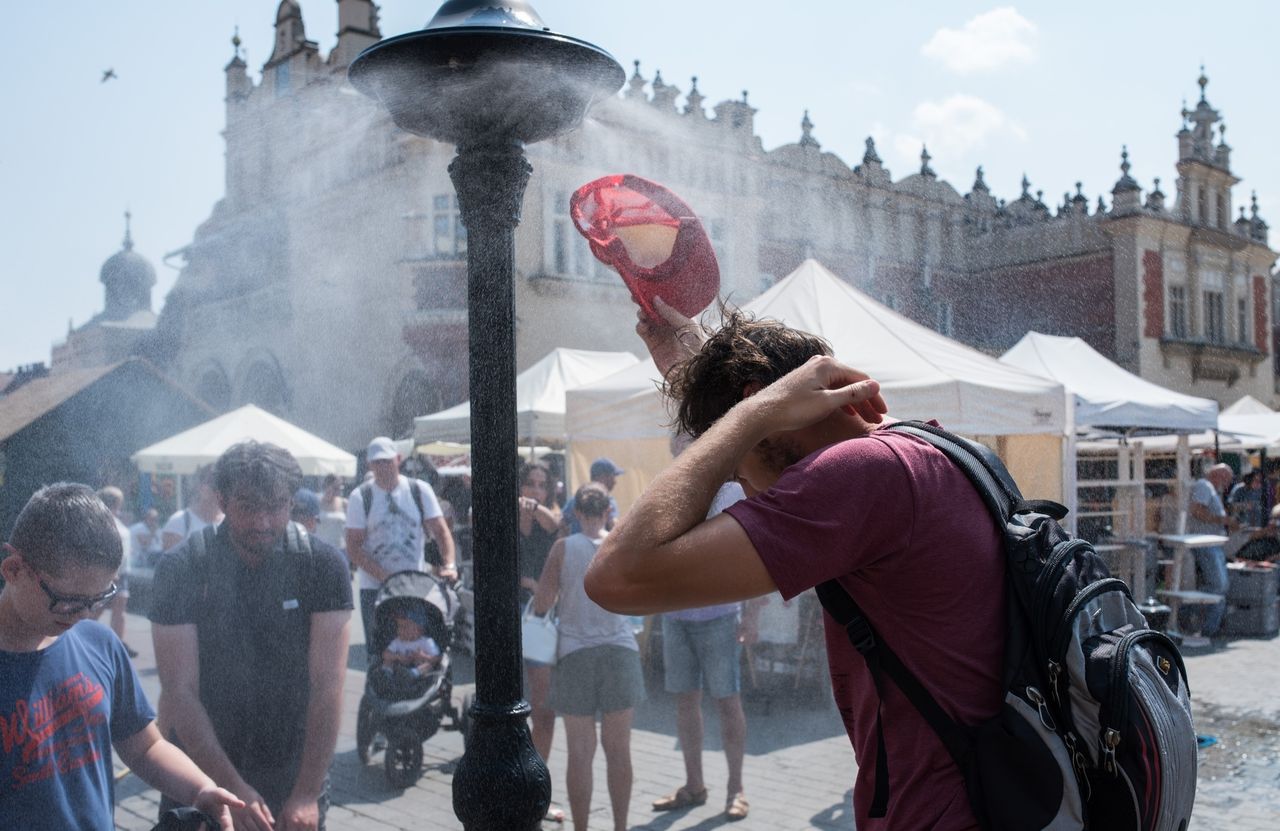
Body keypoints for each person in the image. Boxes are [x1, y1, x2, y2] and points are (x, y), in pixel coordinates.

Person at [585, 299, 1012, 830]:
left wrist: (749, 415)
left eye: (737, 469)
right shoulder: (922, 447)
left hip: (946, 811)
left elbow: (617, 578)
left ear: (767, 405)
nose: (743, 488)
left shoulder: (858, 473)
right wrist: (711, 378)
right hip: (990, 794)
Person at [0, 483, 243, 830]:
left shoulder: (99, 643)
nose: (84, 615)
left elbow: (144, 748)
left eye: (99, 598)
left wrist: (200, 789)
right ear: (14, 569)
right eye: (69, 601)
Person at [151, 441, 353, 831]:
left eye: (275, 506)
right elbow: (179, 692)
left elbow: (328, 685)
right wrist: (230, 787)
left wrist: (308, 793)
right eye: (248, 507)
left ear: (292, 502)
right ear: (222, 500)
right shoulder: (182, 568)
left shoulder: (322, 567)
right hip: (199, 769)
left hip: (292, 768)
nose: (262, 522)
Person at [533, 486, 645, 831]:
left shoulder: (563, 548)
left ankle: (581, 828)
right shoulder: (621, 547)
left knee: (580, 753)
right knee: (619, 750)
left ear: (576, 513)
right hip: (620, 651)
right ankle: (620, 827)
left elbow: (541, 603)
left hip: (575, 653)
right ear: (608, 511)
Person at [651, 470, 759, 822]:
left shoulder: (730, 491)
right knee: (686, 702)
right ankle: (694, 785)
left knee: (727, 702)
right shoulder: (669, 488)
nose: (684, 448)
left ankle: (736, 789)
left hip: (720, 615)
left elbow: (754, 550)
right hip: (676, 614)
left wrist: (752, 613)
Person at [345, 436, 457, 657]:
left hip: (413, 584)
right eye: (377, 462)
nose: (383, 467)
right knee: (381, 653)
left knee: (419, 649)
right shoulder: (361, 497)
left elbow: (441, 531)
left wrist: (450, 564)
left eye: (387, 461)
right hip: (375, 586)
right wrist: (384, 575)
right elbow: (353, 547)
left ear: (398, 459)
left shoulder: (418, 490)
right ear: (369, 465)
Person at [517, 460, 565, 823]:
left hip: (539, 620)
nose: (534, 489)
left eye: (540, 484)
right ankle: (516, 788)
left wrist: (535, 508)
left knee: (544, 710)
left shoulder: (551, 517)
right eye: (529, 484)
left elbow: (554, 524)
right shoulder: (507, 511)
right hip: (507, 620)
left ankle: (534, 791)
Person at [1185, 461, 1237, 637]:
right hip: (1205, 544)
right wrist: (1223, 521)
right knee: (1218, 585)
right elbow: (1196, 511)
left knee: (1218, 585)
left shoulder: (1209, 488)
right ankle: (1198, 620)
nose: (1227, 483)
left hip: (1212, 544)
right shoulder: (1204, 486)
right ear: (1219, 475)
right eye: (1226, 479)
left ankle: (1207, 624)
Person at [95, 486, 137, 658]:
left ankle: (117, 646)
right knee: (96, 608)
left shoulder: (117, 521)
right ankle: (77, 635)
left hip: (122, 572)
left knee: (120, 610)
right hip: (108, 572)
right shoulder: (100, 523)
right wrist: (109, 570)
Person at [375, 608, 442, 698]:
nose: (399, 630)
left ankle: (412, 674)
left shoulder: (426, 642)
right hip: (400, 668)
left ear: (418, 630)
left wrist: (423, 656)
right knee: (388, 660)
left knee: (429, 665)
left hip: (419, 671)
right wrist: (397, 657)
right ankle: (386, 676)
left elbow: (437, 658)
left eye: (404, 627)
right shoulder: (398, 641)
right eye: (399, 626)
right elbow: (385, 654)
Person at [161, 466, 223, 552]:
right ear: (202, 488)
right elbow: (170, 563)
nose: (221, 491)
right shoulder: (178, 522)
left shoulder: (230, 522)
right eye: (215, 485)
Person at [561, 458, 623, 535]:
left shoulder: (576, 499)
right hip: (600, 546)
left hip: (577, 545)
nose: (615, 482)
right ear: (602, 477)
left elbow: (562, 523)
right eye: (613, 476)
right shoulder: (608, 501)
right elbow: (614, 526)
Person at [315, 475, 348, 557]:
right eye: (336, 488)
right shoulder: (316, 501)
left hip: (339, 550)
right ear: (326, 486)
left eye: (340, 487)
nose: (339, 491)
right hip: (319, 550)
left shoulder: (345, 503)